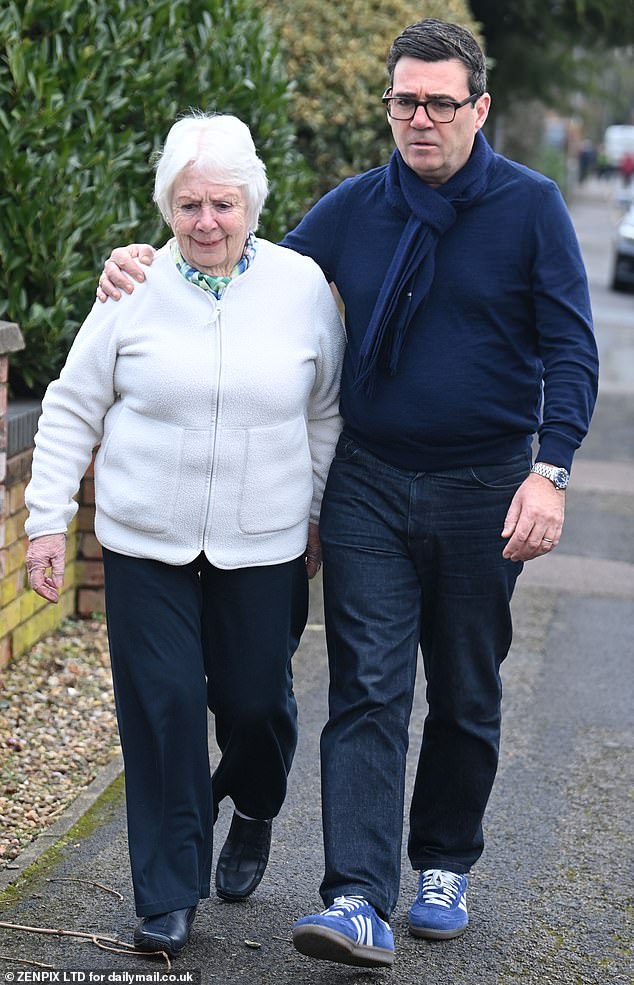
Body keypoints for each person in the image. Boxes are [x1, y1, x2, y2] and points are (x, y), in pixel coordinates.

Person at [95, 19, 599, 970]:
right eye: (402, 100)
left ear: (478, 108)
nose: (418, 118)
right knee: (367, 685)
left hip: (486, 484)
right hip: (369, 479)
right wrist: (138, 264)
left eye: (439, 102)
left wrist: (551, 468)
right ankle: (357, 895)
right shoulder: (355, 207)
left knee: (464, 682)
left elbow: (573, 349)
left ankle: (444, 860)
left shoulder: (531, 209)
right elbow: (241, 275)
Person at [24, 112, 345, 959]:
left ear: (253, 203)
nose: (207, 222)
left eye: (224, 204)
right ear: (168, 207)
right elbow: (69, 406)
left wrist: (314, 513)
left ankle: (254, 805)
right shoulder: (132, 288)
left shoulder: (301, 286)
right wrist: (45, 521)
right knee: (162, 710)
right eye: (189, 205)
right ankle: (169, 891)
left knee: (258, 707)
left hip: (265, 540)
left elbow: (327, 412)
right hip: (144, 541)